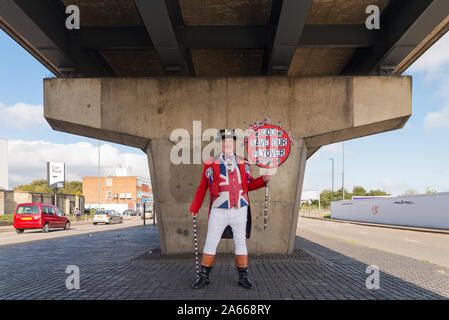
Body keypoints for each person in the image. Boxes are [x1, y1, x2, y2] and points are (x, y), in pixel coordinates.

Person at [190, 129, 270, 289]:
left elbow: (248, 185)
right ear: (220, 143)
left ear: (234, 143)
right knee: (211, 241)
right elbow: (202, 188)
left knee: (240, 243)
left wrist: (263, 180)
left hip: (240, 208)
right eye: (224, 140)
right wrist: (195, 206)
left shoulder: (244, 162)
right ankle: (204, 277)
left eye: (230, 140)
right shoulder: (210, 162)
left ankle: (243, 277)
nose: (227, 143)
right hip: (219, 209)